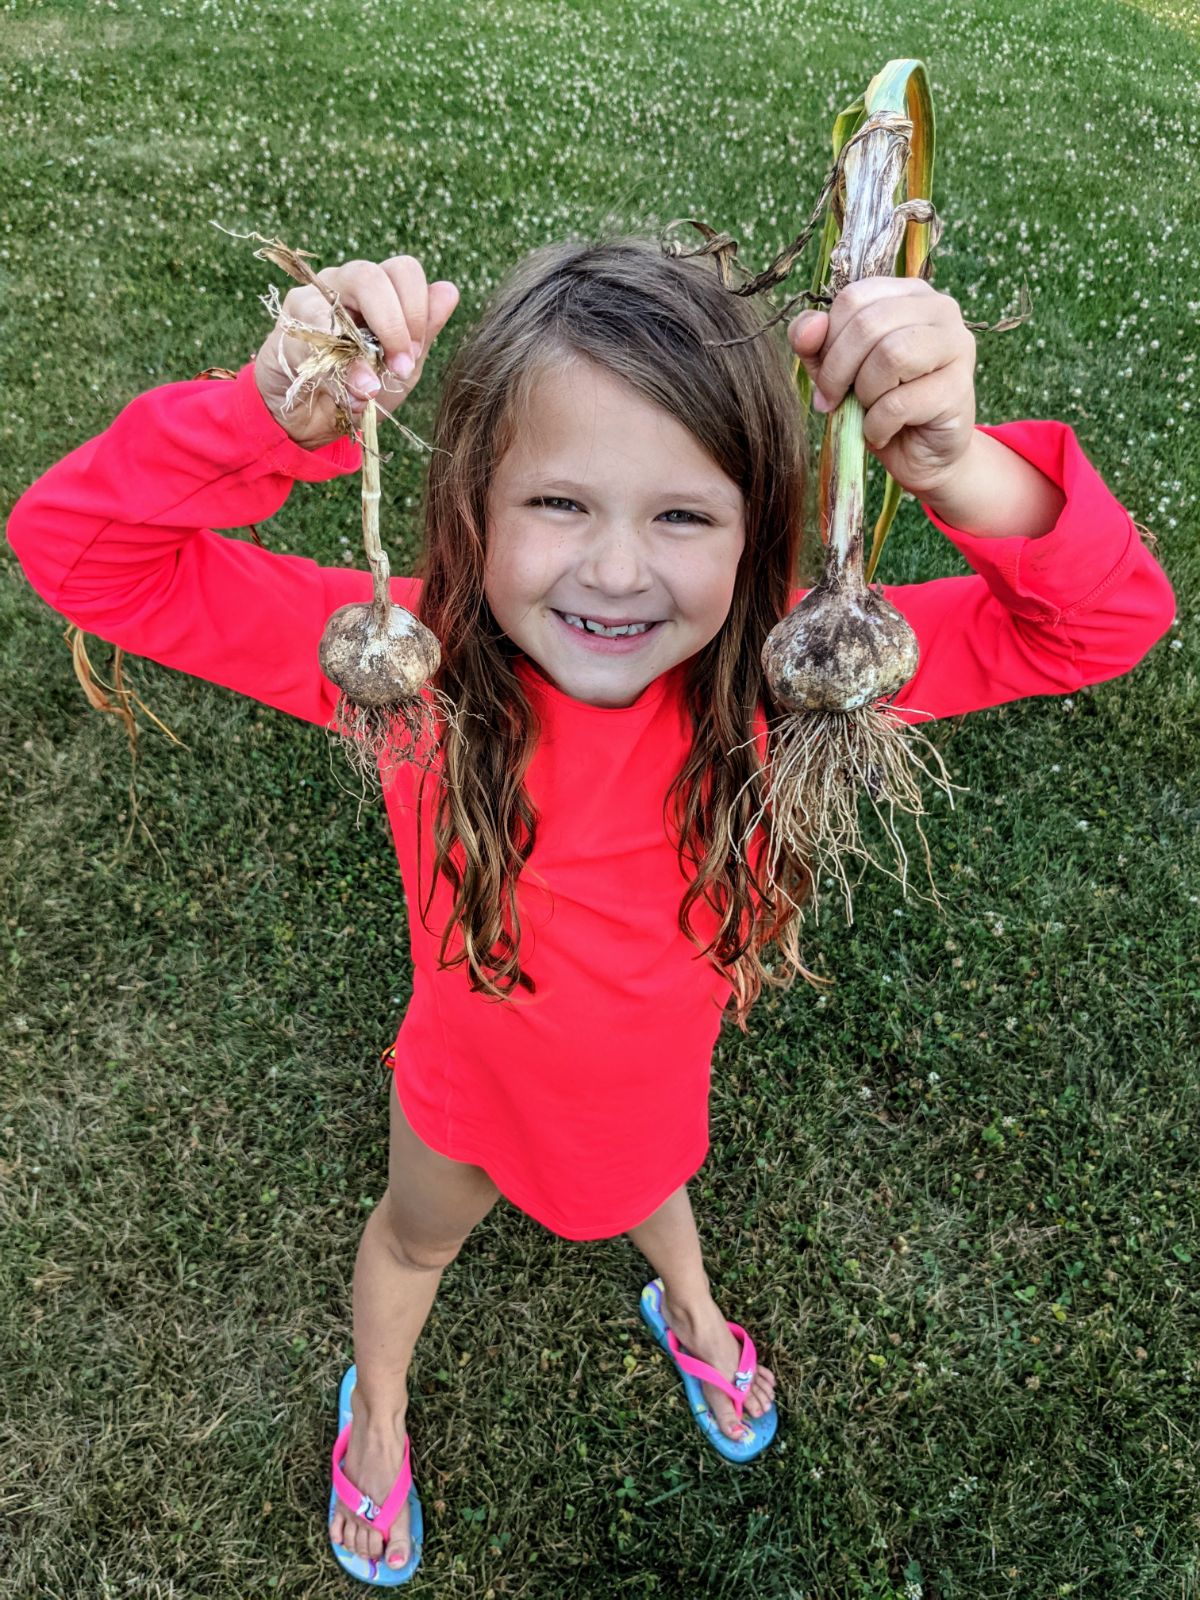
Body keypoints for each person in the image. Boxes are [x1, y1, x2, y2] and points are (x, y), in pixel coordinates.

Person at [6, 236, 1176, 1583]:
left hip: (658, 1073)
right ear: (470, 504)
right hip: (466, 1080)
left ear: (761, 532)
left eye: (684, 517)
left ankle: (690, 1306)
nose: (617, 574)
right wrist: (265, 415)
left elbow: (1102, 624)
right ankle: (376, 1414)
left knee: (650, 1181)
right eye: (559, 502)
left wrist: (956, 461)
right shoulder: (409, 672)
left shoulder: (796, 680)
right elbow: (78, 550)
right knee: (414, 1236)